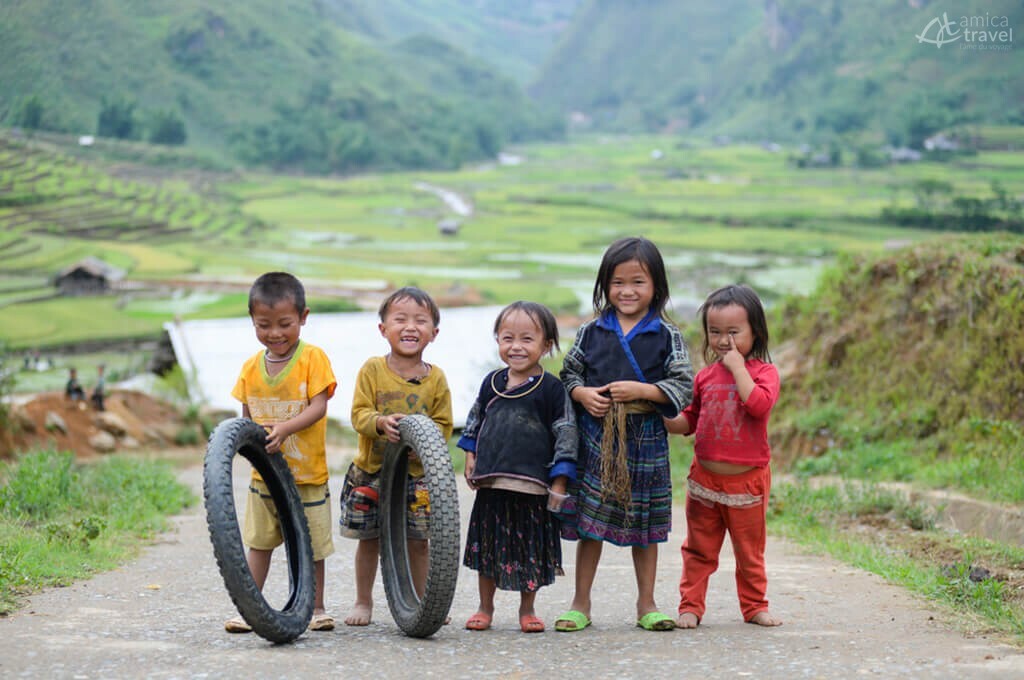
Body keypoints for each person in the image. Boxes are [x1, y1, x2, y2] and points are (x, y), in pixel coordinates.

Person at [555, 236, 694, 633]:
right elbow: (569, 374)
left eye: (638, 282)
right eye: (618, 282)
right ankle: (580, 602)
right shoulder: (590, 331)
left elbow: (683, 384)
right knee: (590, 522)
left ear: (657, 288)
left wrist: (646, 392)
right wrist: (582, 394)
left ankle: (647, 603)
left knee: (645, 526)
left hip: (646, 437)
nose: (627, 291)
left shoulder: (668, 335)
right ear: (604, 285)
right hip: (597, 437)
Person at [224, 272, 338, 634]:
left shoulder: (312, 359)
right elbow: (245, 420)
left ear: (303, 317)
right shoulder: (249, 369)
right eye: (264, 325)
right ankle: (249, 607)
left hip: (306, 477)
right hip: (265, 478)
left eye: (285, 324)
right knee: (259, 544)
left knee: (311, 544)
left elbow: (319, 406)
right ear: (252, 321)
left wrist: (286, 428)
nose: (275, 333)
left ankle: (316, 607)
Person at [665, 284, 782, 629]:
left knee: (749, 552)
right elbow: (689, 420)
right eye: (715, 332)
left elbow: (758, 405)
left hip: (747, 483)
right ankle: (691, 606)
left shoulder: (764, 373)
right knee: (698, 550)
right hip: (704, 481)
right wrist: (661, 417)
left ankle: (754, 606)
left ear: (755, 332)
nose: (723, 341)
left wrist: (738, 368)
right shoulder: (704, 376)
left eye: (734, 332)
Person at [459, 301, 578, 633]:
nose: (516, 347)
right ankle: (485, 607)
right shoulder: (492, 382)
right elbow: (475, 420)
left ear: (547, 345)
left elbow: (566, 431)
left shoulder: (552, 389)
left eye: (527, 339)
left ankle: (528, 609)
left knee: (529, 551)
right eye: (507, 338)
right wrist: (471, 456)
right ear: (498, 340)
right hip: (493, 483)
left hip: (532, 485)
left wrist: (560, 479)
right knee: (488, 549)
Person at [338, 286, 453, 627]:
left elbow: (444, 426)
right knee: (369, 540)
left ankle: (424, 602)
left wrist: (421, 438)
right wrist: (379, 422)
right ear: (383, 329)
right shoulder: (373, 370)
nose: (410, 327)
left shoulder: (436, 379)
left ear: (433, 333)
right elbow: (358, 413)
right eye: (400, 319)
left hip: (417, 477)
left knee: (420, 542)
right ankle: (363, 601)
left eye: (420, 321)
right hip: (371, 471)